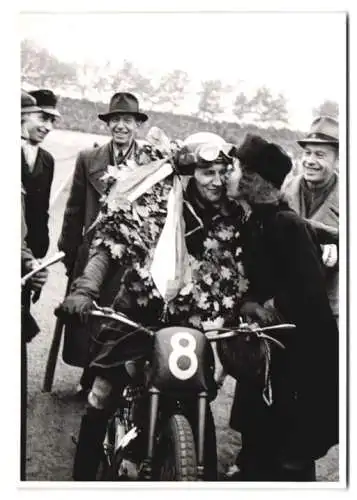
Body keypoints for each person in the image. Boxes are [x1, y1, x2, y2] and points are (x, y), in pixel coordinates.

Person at [56, 132, 248, 481]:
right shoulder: (157, 201)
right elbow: (109, 247)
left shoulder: (234, 215)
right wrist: (84, 289)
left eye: (223, 172)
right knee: (102, 393)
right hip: (136, 315)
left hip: (188, 326)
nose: (217, 182)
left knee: (201, 404)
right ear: (190, 174)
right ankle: (80, 481)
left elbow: (252, 257)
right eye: (208, 173)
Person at [225, 134, 339, 481]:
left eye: (238, 170)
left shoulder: (285, 225)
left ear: (253, 180)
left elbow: (308, 292)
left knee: (290, 454)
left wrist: (262, 308)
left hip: (299, 359)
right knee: (259, 440)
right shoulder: (255, 219)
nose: (231, 176)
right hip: (269, 351)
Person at [57, 92, 150, 391]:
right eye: (115, 120)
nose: (120, 126)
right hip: (93, 250)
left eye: (127, 120)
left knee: (119, 314)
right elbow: (73, 209)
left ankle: (110, 374)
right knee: (88, 314)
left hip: (130, 253)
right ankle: (88, 374)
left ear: (137, 125)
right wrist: (69, 251)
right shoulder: (88, 159)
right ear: (108, 125)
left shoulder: (150, 163)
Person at [283, 116, 339, 322]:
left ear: (338, 159)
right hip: (289, 306)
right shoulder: (285, 189)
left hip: (332, 308)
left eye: (320, 154)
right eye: (307, 153)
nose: (310, 161)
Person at [21, 90, 49, 481]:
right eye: (38, 116)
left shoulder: (43, 159)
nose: (45, 125)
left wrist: (32, 256)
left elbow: (35, 213)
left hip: (26, 251)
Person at [22, 89, 60, 259]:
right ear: (24, 115)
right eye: (43, 118)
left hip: (34, 253)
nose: (48, 127)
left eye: (52, 120)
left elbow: (42, 210)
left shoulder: (47, 160)